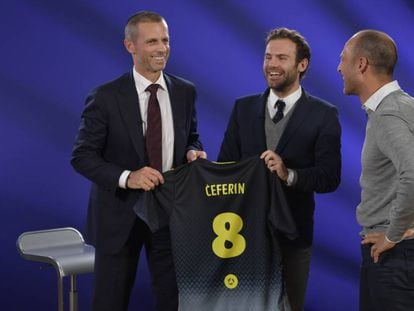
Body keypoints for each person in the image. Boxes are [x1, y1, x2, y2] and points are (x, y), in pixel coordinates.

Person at [71, 11, 206, 311]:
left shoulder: (185, 91)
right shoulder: (105, 97)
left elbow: (191, 137)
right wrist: (127, 177)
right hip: (119, 216)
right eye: (152, 41)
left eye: (165, 40)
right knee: (110, 302)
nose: (162, 48)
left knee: (175, 301)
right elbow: (82, 156)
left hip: (172, 214)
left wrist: (193, 151)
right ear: (130, 46)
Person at [218, 27, 341, 310]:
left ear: (302, 64)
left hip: (293, 238)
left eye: (281, 58)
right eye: (268, 57)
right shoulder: (243, 109)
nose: (272, 64)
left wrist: (289, 175)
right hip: (241, 237)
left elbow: (329, 176)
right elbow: (225, 164)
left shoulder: (324, 115)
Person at [338, 30, 414, 310]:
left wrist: (394, 234)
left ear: (361, 64)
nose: (338, 68)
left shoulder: (388, 114)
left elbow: (412, 174)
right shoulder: (406, 106)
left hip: (394, 258)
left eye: (343, 59)